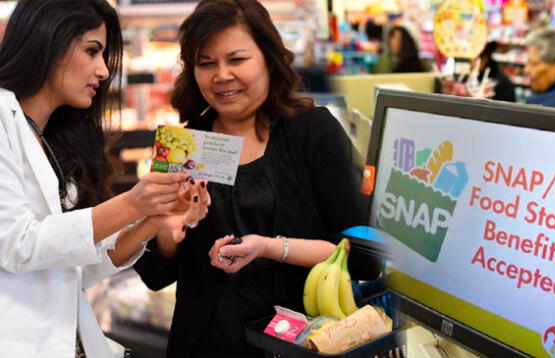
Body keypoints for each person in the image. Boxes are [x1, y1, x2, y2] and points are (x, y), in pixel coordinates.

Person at [133, 0, 381, 356]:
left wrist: (269, 247)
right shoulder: (187, 143)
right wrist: (166, 227)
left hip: (297, 344)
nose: (221, 75)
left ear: (268, 57)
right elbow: (156, 274)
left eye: (237, 59)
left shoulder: (312, 131)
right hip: (203, 344)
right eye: (206, 63)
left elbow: (361, 256)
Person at [0, 1, 210, 357]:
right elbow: (15, 244)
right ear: (48, 39)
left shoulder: (51, 137)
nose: (102, 71)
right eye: (92, 51)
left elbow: (73, 270)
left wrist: (151, 220)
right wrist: (131, 204)